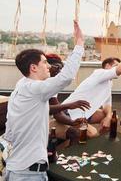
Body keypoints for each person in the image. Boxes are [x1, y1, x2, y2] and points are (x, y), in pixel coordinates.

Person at [3, 20, 84, 180]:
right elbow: (66, 77)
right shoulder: (35, 89)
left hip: (15, 169)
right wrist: (79, 44)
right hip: (28, 174)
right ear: (33, 68)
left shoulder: (21, 86)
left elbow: (9, 131)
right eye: (45, 62)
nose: (49, 66)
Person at [62, 44, 121, 135]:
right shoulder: (100, 73)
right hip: (70, 113)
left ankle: (101, 140)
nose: (118, 68)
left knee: (113, 118)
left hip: (86, 113)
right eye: (116, 65)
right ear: (107, 66)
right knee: (93, 134)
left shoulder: (109, 82)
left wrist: (108, 117)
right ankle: (93, 138)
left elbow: (107, 105)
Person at [46, 54, 97, 143]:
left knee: (91, 133)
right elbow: (42, 109)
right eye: (56, 67)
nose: (59, 71)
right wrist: (69, 106)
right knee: (75, 133)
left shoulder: (52, 84)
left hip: (46, 120)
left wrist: (72, 122)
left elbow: (57, 114)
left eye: (61, 69)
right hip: (34, 125)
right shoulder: (37, 84)